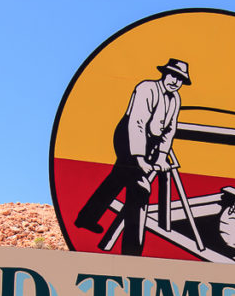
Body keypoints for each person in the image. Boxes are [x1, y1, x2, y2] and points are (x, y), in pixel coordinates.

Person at [74, 58, 191, 255]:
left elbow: (170, 130)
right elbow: (137, 123)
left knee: (117, 178)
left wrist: (162, 156)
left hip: (150, 142)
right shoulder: (147, 88)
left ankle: (86, 218)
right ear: (165, 73)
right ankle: (132, 251)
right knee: (140, 188)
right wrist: (139, 159)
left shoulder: (175, 99)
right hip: (128, 136)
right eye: (173, 75)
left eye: (180, 79)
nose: (175, 81)